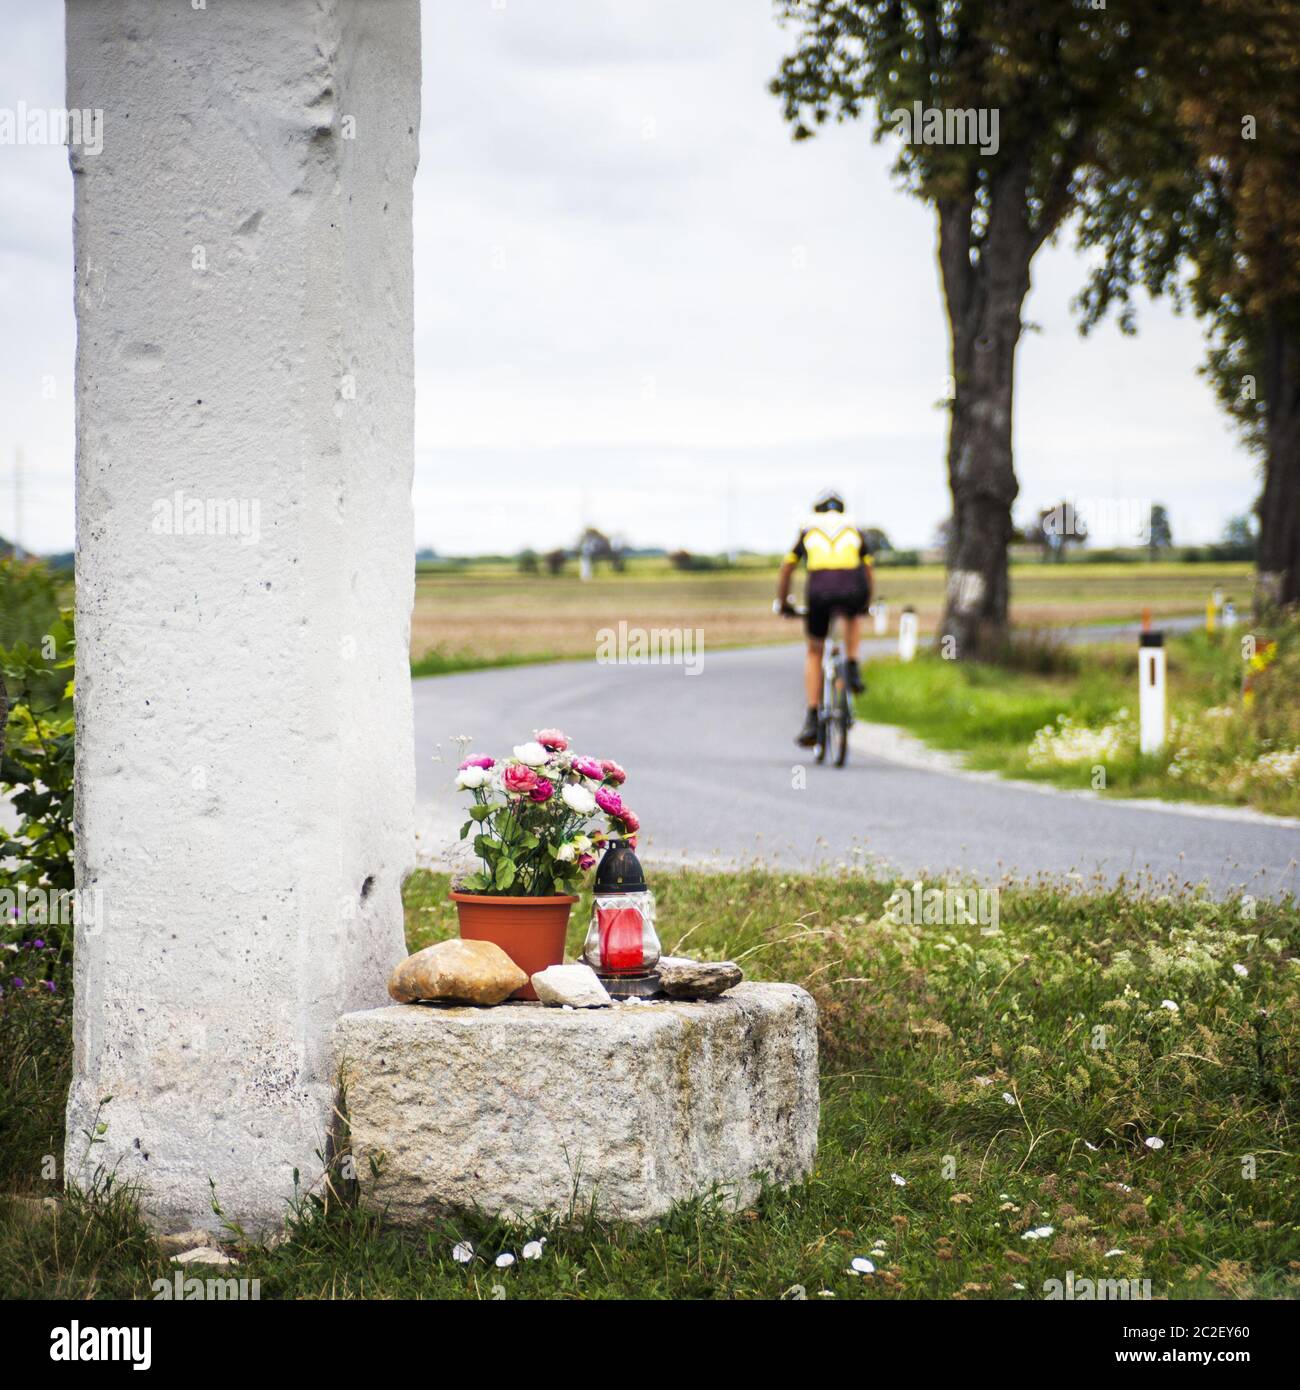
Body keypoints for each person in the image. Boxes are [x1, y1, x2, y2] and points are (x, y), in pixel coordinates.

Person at [774, 487, 873, 747]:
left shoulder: (808, 530)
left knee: (815, 651)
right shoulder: (854, 529)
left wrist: (783, 603)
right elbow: (868, 569)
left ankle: (813, 715)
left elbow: (787, 568)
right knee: (853, 615)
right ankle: (852, 666)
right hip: (852, 587)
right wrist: (866, 602)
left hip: (818, 591)